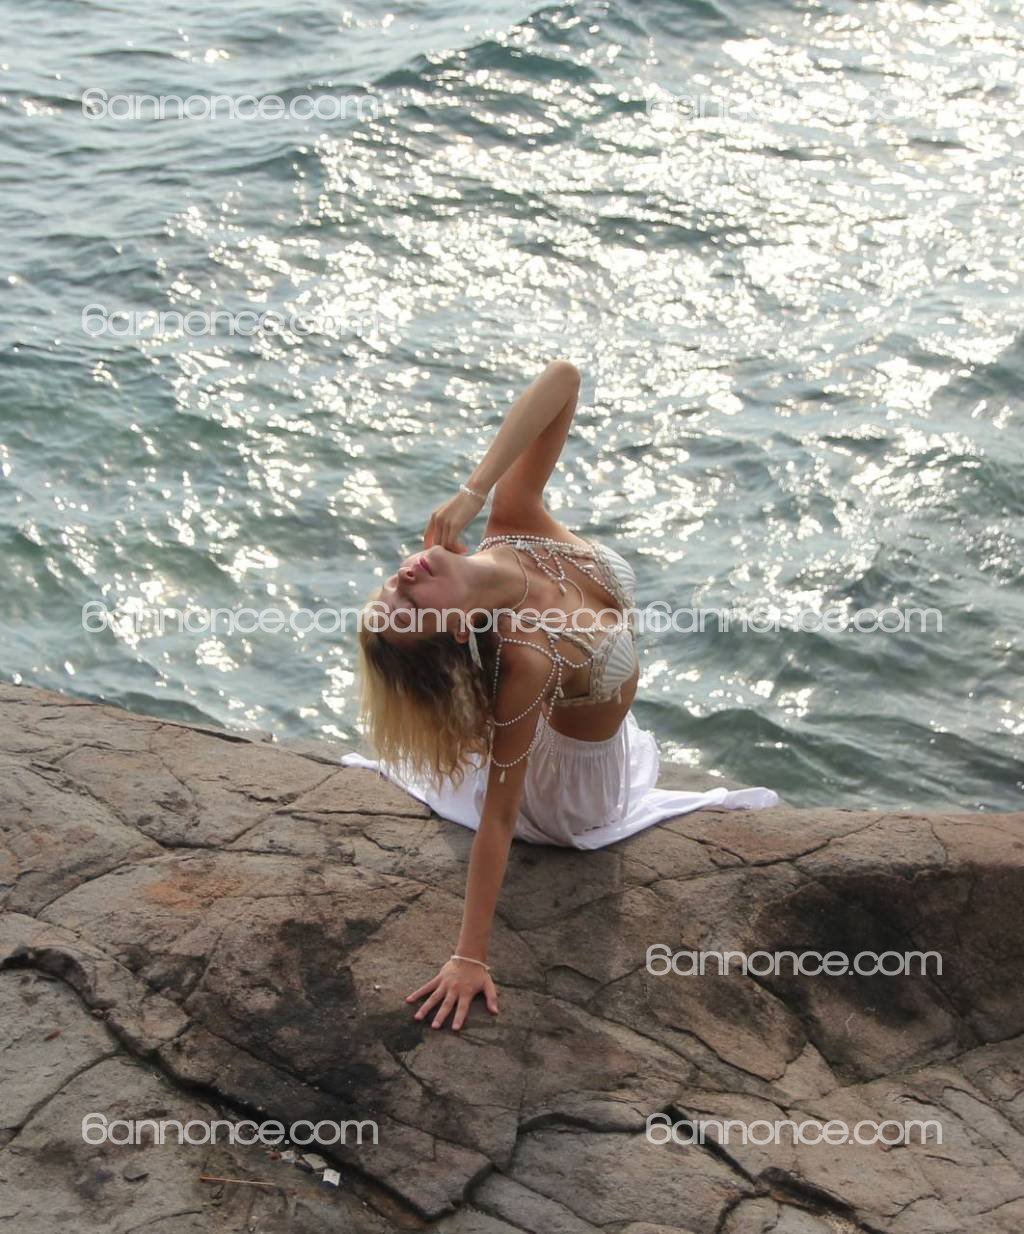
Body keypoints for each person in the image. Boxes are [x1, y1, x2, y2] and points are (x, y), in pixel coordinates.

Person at [341, 360, 779, 1031]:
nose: (403, 580)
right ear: (454, 628)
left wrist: (472, 491)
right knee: (504, 777)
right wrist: (470, 956)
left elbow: (565, 379)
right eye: (411, 605)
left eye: (391, 586)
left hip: (583, 730)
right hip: (574, 796)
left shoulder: (513, 521)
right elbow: (499, 816)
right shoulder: (526, 657)